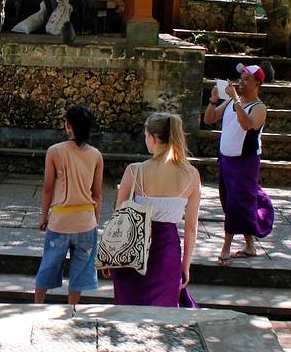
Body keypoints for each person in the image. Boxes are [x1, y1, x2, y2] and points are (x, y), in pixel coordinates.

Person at [111, 112, 201, 308]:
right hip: (167, 251)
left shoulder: (134, 170)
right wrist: (185, 265)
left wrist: (112, 256)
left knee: (130, 310)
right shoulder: (192, 174)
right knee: (162, 312)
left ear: (152, 138)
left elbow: (118, 217)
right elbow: (191, 227)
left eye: (145, 136)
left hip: (133, 252)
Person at [203, 62, 275, 265]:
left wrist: (235, 99)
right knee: (230, 201)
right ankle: (250, 245)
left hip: (245, 162)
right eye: (240, 78)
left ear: (257, 84)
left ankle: (225, 248)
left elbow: (247, 125)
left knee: (236, 202)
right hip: (226, 159)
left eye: (246, 79)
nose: (241, 82)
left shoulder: (259, 108)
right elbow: (209, 119)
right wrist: (213, 100)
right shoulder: (231, 103)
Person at [35, 105, 104, 305]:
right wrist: (95, 221)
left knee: (47, 268)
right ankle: (72, 312)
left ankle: (36, 307)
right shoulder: (96, 155)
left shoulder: (54, 151)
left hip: (60, 221)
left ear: (68, 126)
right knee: (79, 275)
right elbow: (97, 195)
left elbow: (48, 189)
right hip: (86, 222)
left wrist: (44, 217)